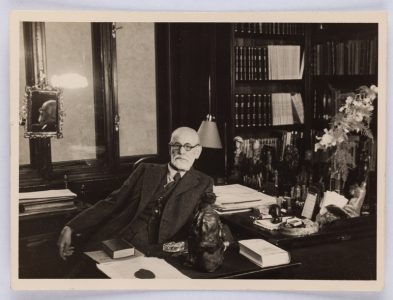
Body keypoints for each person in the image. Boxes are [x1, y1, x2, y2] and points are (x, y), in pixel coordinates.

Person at [57, 127, 213, 263]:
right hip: (120, 237)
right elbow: (112, 202)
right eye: (176, 145)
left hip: (162, 251)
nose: (181, 152)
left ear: (197, 151)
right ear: (170, 148)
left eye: (188, 147)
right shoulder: (146, 170)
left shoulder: (203, 182)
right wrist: (71, 226)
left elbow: (206, 219)